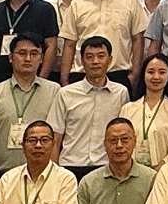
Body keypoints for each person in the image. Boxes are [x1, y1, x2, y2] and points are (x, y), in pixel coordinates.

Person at [0, 35, 60, 174]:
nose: (28, 58)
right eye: (22, 53)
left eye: (34, 54)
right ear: (11, 57)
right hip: (0, 172)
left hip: (43, 174)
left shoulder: (55, 91)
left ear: (42, 58)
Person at [69, 0, 148, 91]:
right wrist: (65, 77)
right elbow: (69, 44)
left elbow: (138, 39)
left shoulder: (131, 0)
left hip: (119, 74)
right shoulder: (77, 4)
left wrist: (135, 74)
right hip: (82, 75)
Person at [56, 36, 130, 179]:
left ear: (110, 60)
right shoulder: (65, 94)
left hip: (106, 166)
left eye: (101, 56)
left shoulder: (120, 93)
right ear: (82, 61)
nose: (95, 62)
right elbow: (56, 137)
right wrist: (55, 174)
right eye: (89, 57)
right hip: (70, 166)